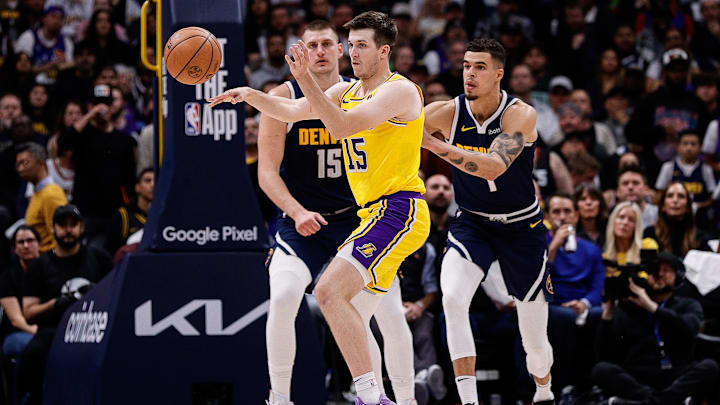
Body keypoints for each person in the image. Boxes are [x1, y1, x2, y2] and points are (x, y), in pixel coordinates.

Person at [208, 11, 430, 405]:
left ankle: (372, 396)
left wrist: (305, 79)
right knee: (351, 313)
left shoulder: (399, 91)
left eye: (361, 45)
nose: (352, 52)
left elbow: (342, 126)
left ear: (384, 51)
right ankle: (369, 394)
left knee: (331, 294)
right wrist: (251, 95)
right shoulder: (346, 92)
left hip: (399, 210)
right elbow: (292, 112)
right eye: (352, 44)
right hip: (369, 216)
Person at [421, 38, 554, 405]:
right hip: (472, 223)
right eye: (466, 66)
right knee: (452, 298)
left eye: (479, 67)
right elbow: (390, 125)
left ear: (499, 73)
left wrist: (434, 146)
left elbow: (495, 166)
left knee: (534, 340)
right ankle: (469, 400)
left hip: (521, 228)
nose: (470, 74)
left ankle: (544, 390)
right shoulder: (446, 112)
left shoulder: (521, 114)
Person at [593, 252, 720, 404]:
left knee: (710, 367)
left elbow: (689, 330)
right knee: (601, 369)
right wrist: (608, 314)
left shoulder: (688, 305)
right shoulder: (630, 307)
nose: (660, 274)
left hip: (675, 373)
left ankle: (647, 402)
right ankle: (665, 402)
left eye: (666, 270)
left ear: (678, 277)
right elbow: (604, 354)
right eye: (654, 270)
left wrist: (652, 308)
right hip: (638, 375)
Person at [19, 204, 113, 405]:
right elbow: (28, 312)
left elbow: (117, 295)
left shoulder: (99, 258)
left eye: (73, 224)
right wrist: (55, 304)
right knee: (32, 355)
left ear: (81, 228)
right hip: (54, 331)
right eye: (62, 225)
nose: (68, 229)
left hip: (93, 330)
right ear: (53, 229)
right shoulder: (39, 266)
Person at [59, 84, 137, 248]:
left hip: (114, 211)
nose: (103, 108)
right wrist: (90, 115)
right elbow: (63, 142)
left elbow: (130, 178)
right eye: (97, 104)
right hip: (86, 210)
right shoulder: (82, 134)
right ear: (90, 106)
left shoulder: (124, 140)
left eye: (107, 104)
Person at [544, 193, 605, 396]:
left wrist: (584, 303)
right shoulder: (539, 245)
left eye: (567, 211)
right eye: (556, 212)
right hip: (552, 305)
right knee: (564, 317)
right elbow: (538, 284)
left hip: (582, 306)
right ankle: (564, 385)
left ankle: (591, 384)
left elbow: (597, 287)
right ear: (548, 217)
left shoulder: (591, 249)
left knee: (599, 313)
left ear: (576, 216)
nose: (562, 216)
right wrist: (552, 249)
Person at [15, 142, 68, 252]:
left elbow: (60, 238)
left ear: (41, 163)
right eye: (18, 165)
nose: (20, 169)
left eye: (24, 163)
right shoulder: (38, 193)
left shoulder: (51, 194)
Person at [0, 225, 40, 360]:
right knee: (38, 347)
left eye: (30, 240)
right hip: (17, 333)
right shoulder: (8, 277)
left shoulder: (49, 270)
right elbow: (16, 320)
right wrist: (38, 333)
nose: (26, 245)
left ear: (39, 244)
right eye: (21, 242)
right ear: (15, 249)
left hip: (47, 331)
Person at [654, 130, 716, 216]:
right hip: (673, 216)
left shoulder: (706, 169)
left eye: (693, 144)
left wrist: (698, 206)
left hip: (700, 218)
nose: (689, 148)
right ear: (678, 147)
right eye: (685, 144)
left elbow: (712, 198)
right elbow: (659, 194)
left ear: (700, 147)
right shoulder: (668, 167)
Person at [644, 182, 711, 258]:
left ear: (688, 207)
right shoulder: (650, 234)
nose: (675, 200)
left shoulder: (699, 238)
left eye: (681, 196)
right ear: (663, 206)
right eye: (670, 196)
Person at [103, 167, 153, 257]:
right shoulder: (123, 216)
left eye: (155, 181)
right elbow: (109, 251)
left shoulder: (162, 216)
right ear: (137, 187)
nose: (152, 185)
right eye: (148, 181)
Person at [574, 184, 608, 248]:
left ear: (600, 203)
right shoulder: (571, 233)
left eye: (593, 198)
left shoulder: (609, 230)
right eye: (583, 199)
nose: (589, 202)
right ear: (576, 205)